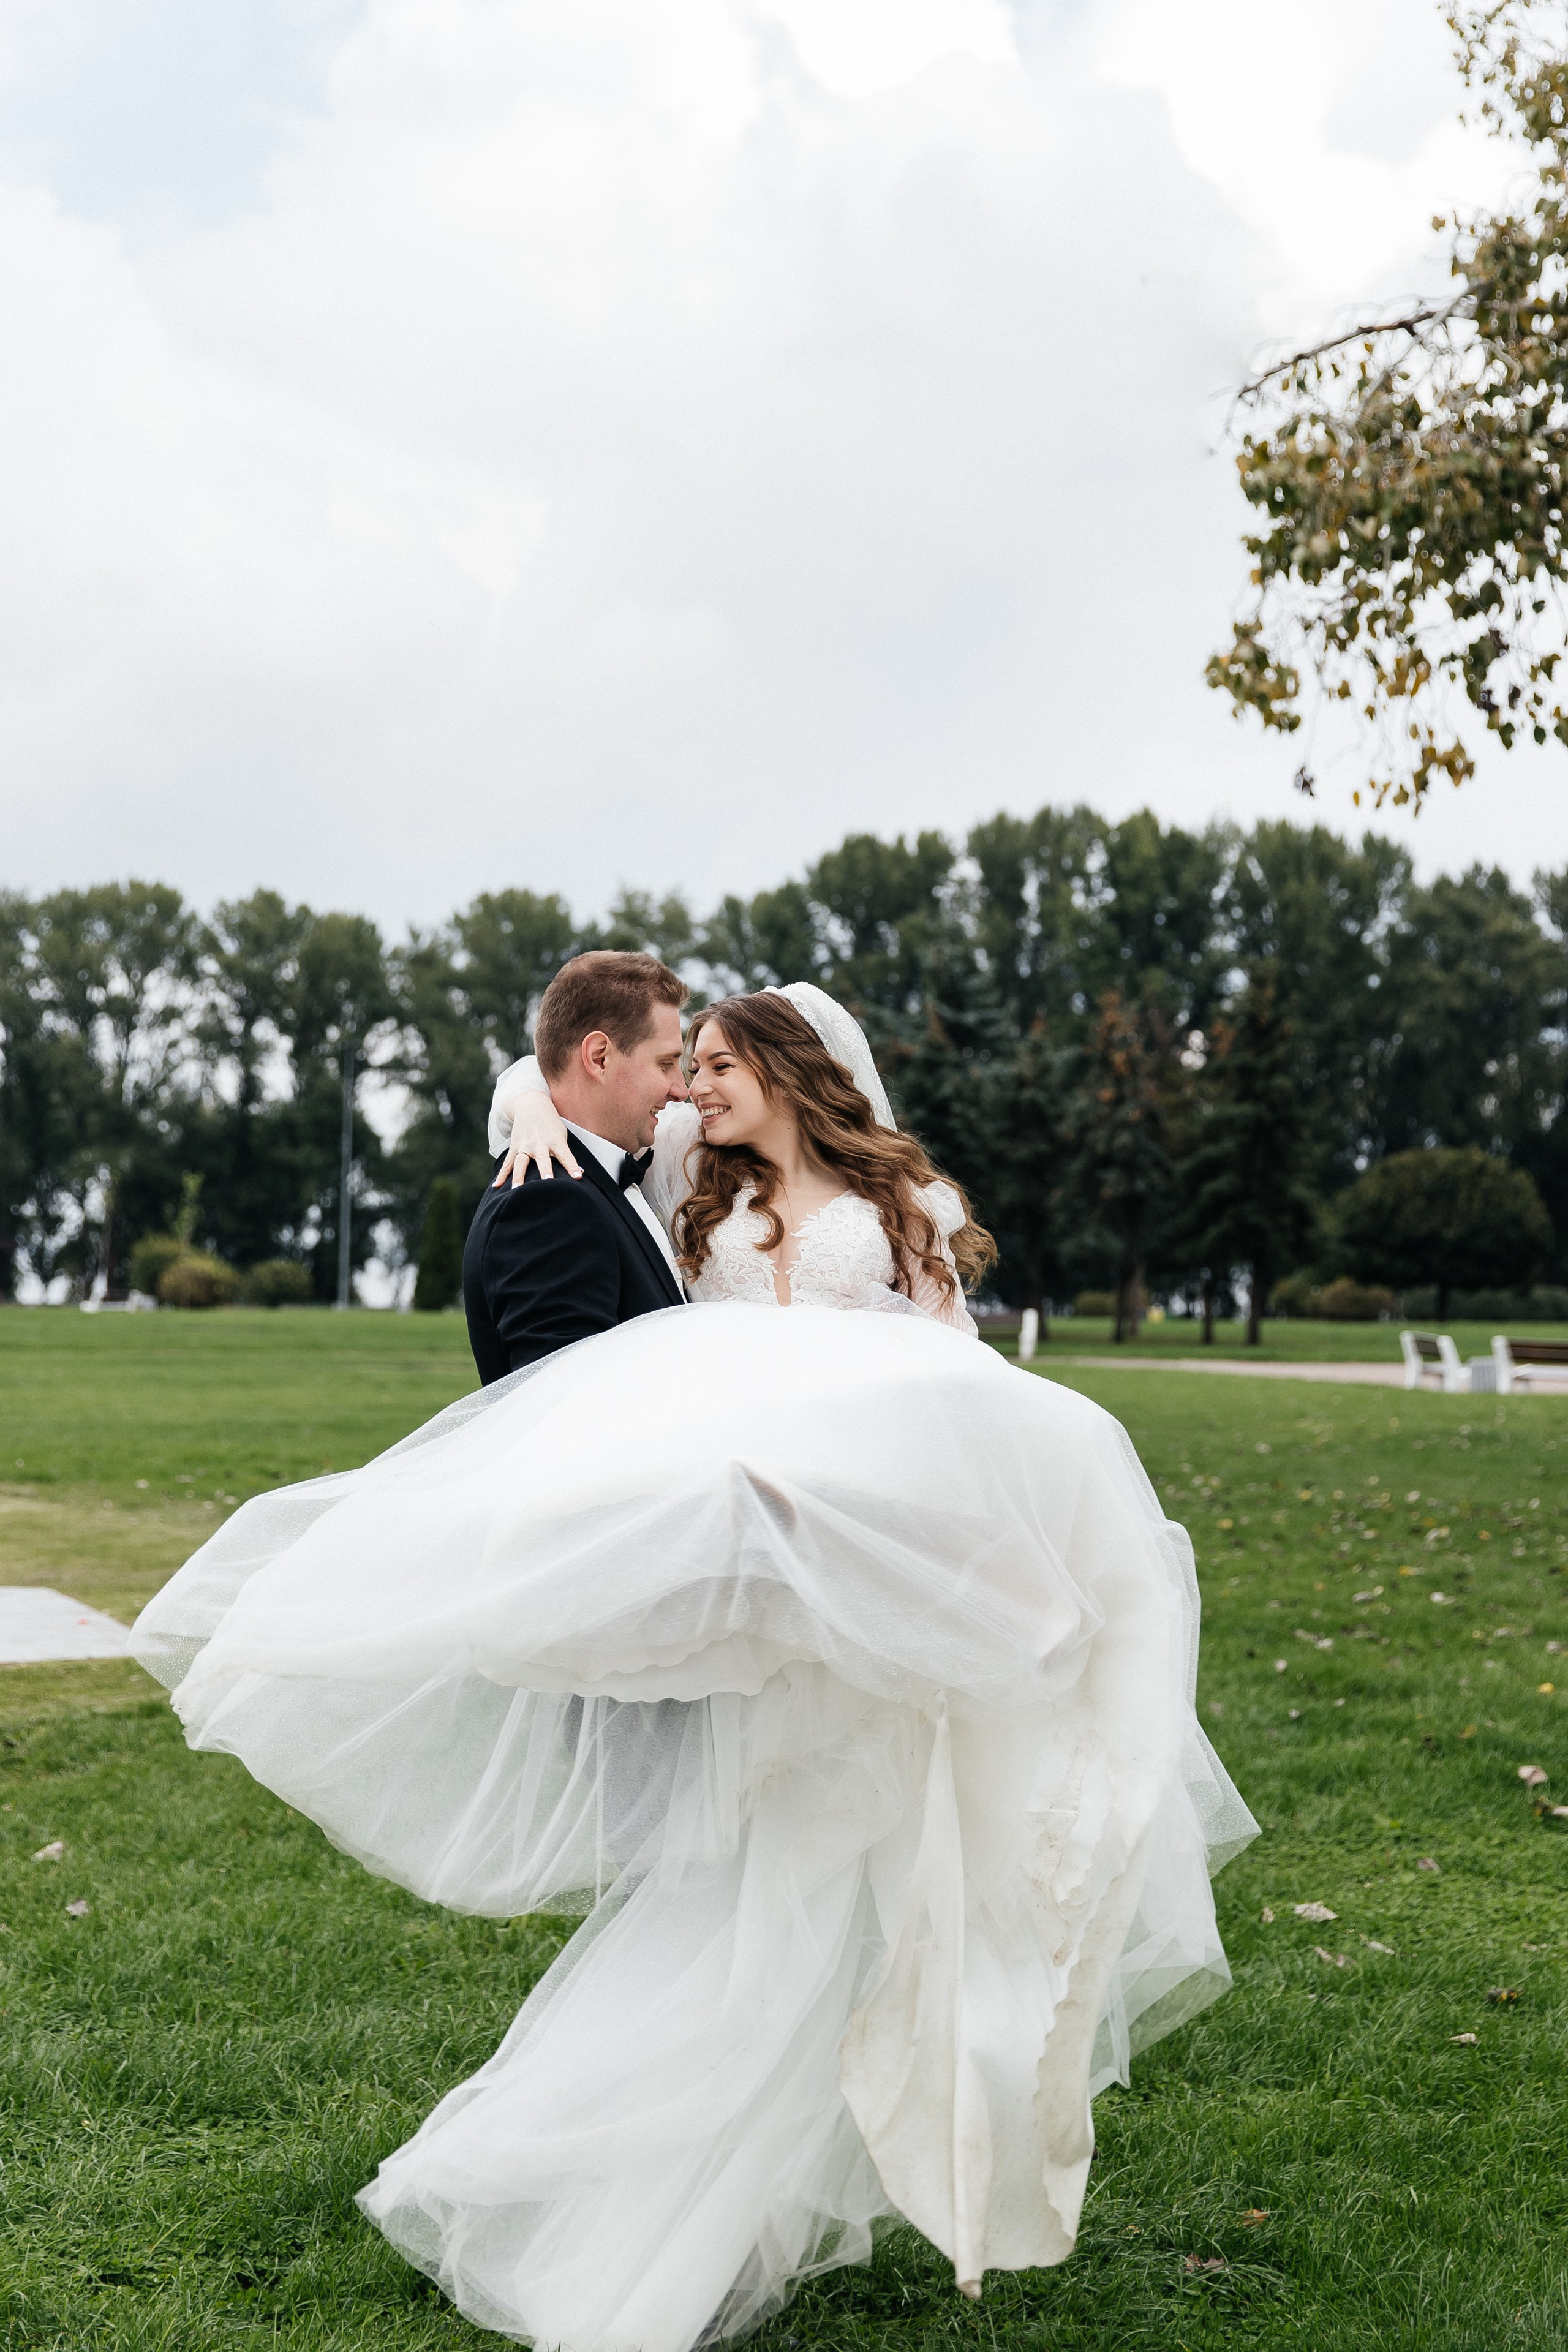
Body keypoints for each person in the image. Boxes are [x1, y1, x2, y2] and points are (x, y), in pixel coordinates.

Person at [132, 966, 1256, 2352]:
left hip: (847, 1615)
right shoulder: (690, 1180)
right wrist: (518, 1111)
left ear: (791, 1073)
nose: (697, 1089)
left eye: (720, 1067)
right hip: (730, 1618)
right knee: (740, 1913)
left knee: (802, 1918)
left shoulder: (899, 1216)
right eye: (691, 1065)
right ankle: (637, 2204)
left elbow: (952, 1414)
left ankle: (698, 2207)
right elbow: (574, 1082)